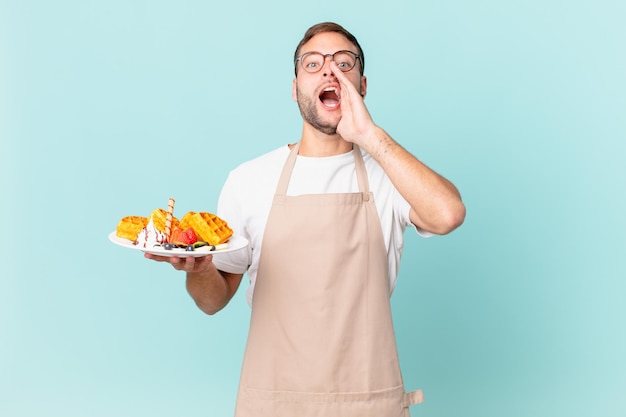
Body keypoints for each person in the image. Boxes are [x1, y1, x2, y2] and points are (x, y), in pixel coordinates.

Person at [146, 21, 465, 417]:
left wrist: (370, 136)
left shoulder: (389, 174)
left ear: (362, 85)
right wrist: (198, 268)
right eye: (313, 63)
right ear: (294, 88)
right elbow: (212, 300)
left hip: (367, 403)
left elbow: (448, 214)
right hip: (274, 403)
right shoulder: (249, 180)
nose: (330, 70)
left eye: (344, 63)